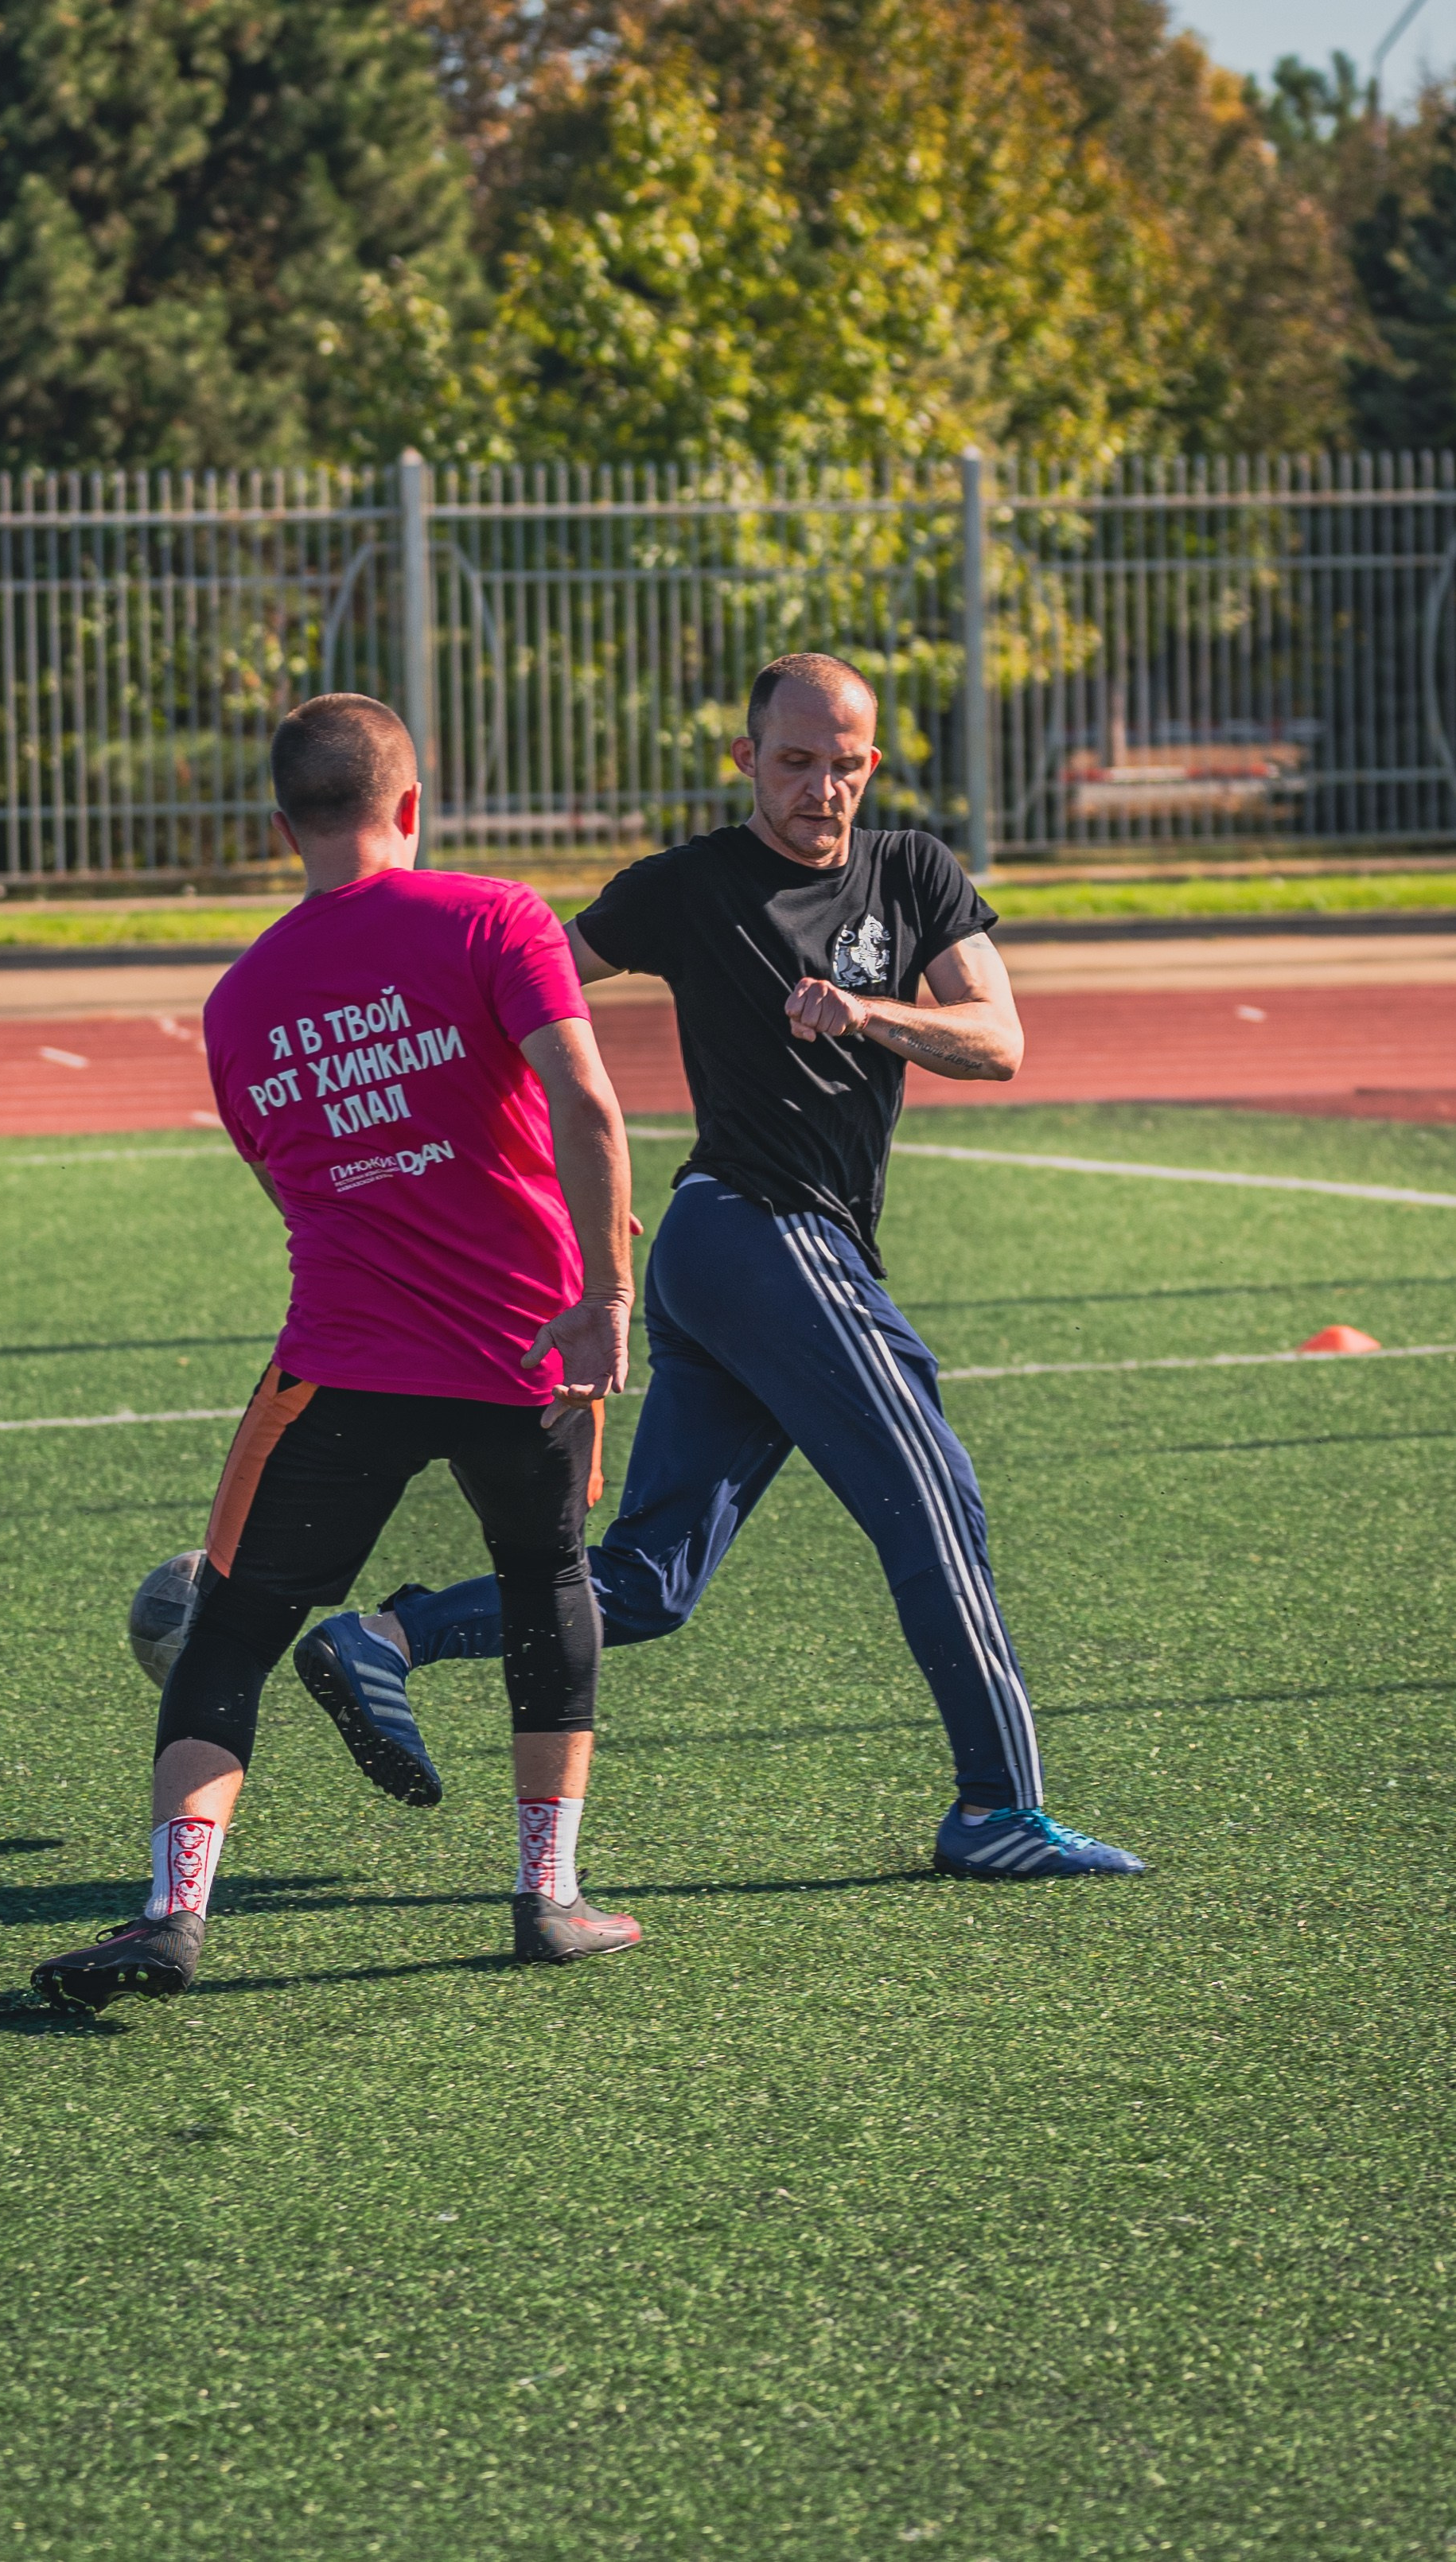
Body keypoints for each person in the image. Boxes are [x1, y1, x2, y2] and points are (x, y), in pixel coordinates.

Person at [308, 653, 1144, 1882]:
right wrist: (376, 1020)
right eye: (795, 762)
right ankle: (995, 1808)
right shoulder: (688, 887)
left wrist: (871, 1013)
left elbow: (997, 1041)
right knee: (935, 1497)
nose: (821, 788)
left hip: (757, 1258)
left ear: (872, 762)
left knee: (647, 1583)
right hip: (758, 1233)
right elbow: (518, 973)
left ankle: (388, 1635)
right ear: (746, 760)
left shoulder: (914, 872)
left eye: (844, 765)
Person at [32, 691, 643, 2009]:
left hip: (344, 1359)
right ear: (411, 804)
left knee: (236, 1622)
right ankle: (549, 1897)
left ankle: (171, 1914)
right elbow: (588, 1104)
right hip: (525, 1351)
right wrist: (609, 1297)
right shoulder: (497, 917)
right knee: (548, 1587)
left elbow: (288, 1186)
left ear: (279, 826)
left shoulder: (240, 998)